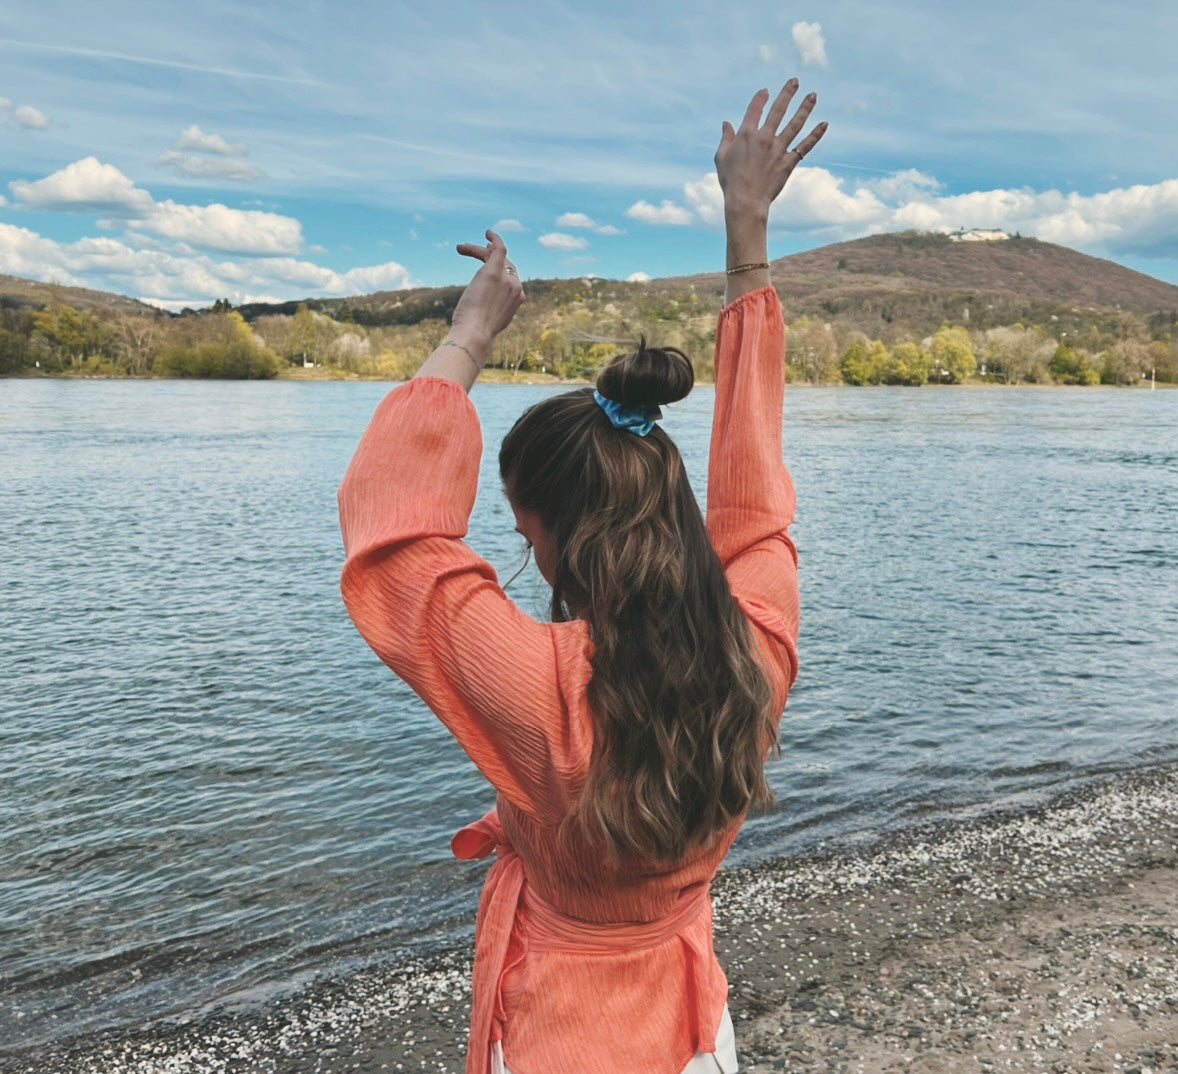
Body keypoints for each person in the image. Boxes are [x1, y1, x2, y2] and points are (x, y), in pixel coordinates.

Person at [338, 80, 826, 1074]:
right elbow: (754, 492)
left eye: (519, 533)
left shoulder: (540, 690)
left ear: (552, 537)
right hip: (690, 1020)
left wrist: (469, 336)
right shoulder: (756, 647)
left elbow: (392, 538)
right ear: (668, 501)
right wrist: (746, 234)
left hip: (560, 1031)